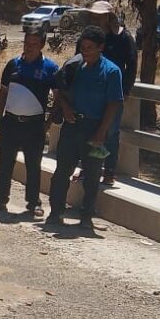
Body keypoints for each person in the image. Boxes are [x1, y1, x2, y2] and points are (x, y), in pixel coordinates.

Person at [46, 25, 124, 230]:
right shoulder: (75, 66)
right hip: (72, 125)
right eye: (83, 47)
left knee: (92, 174)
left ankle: (86, 216)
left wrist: (101, 133)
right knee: (62, 170)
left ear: (100, 47)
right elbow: (60, 88)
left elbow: (114, 104)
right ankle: (55, 212)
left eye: (90, 47)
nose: (85, 51)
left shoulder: (111, 71)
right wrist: (65, 108)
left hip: (95, 127)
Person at [0, 28, 58, 216]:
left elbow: (58, 98)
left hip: (34, 125)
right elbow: (3, 93)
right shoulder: (13, 65)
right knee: (5, 163)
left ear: (42, 45)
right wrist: (0, 117)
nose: (29, 47)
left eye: (34, 44)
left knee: (33, 165)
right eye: (27, 43)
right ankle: (0, 200)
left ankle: (33, 203)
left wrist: (47, 123)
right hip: (10, 122)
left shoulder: (50, 68)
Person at [86, 0, 138, 184]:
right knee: (89, 129)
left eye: (100, 17)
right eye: (94, 16)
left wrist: (126, 89)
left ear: (109, 17)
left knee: (111, 132)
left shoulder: (123, 37)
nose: (96, 20)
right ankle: (90, 167)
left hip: (113, 94)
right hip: (91, 92)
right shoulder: (90, 36)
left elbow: (132, 64)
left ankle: (109, 170)